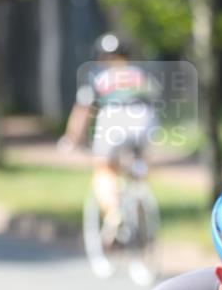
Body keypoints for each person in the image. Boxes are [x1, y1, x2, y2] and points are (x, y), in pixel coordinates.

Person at [58, 33, 159, 228]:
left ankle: (114, 213)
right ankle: (140, 203)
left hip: (115, 119)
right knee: (138, 165)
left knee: (104, 169)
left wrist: (71, 138)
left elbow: (83, 110)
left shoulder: (97, 77)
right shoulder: (141, 74)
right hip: (146, 119)